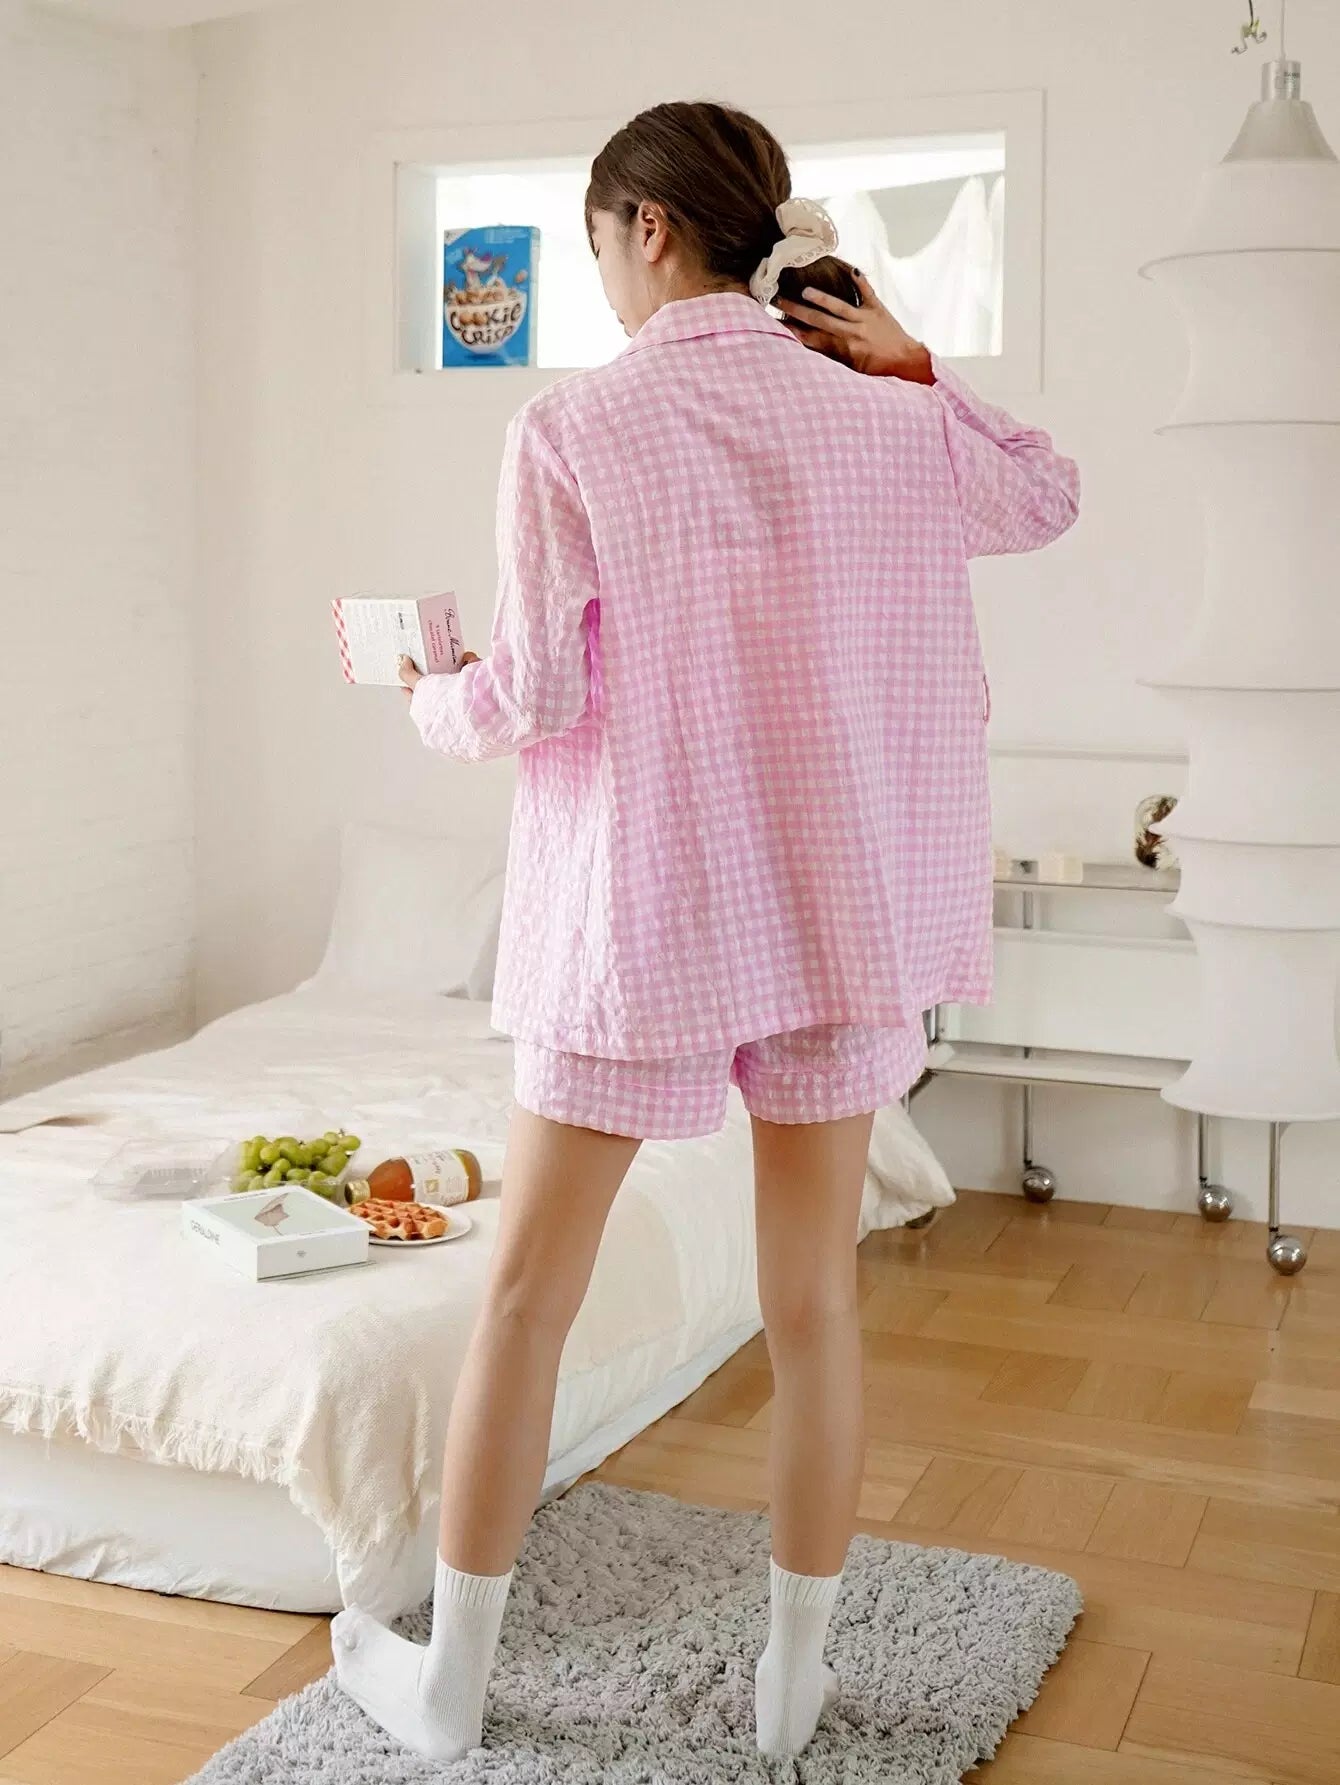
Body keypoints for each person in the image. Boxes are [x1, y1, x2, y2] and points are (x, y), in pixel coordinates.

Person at [333, 98, 1078, 1763]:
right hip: (838, 915)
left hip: (644, 920)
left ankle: (451, 1689)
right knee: (813, 1304)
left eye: (598, 246)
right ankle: (789, 1693)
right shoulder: (886, 414)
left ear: (648, 229)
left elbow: (534, 695)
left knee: (524, 1297)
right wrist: (911, 358)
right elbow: (1047, 495)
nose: (603, 282)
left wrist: (427, 688)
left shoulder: (573, 428)